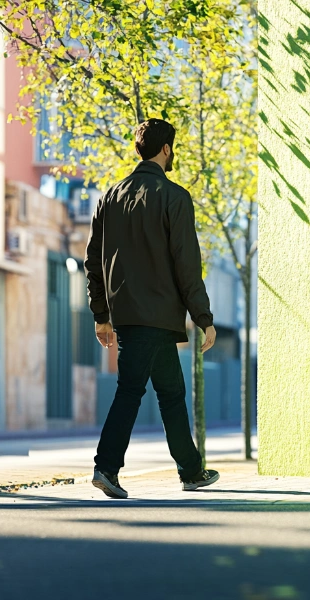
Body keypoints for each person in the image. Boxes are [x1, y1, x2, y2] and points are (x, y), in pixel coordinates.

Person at [85, 118, 219, 499]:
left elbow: (92, 260)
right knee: (130, 390)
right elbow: (186, 263)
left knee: (171, 394)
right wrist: (203, 317)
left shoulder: (110, 197)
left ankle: (191, 471)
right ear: (166, 149)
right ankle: (106, 467)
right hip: (157, 315)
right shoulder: (174, 196)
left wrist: (101, 313)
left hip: (129, 315)